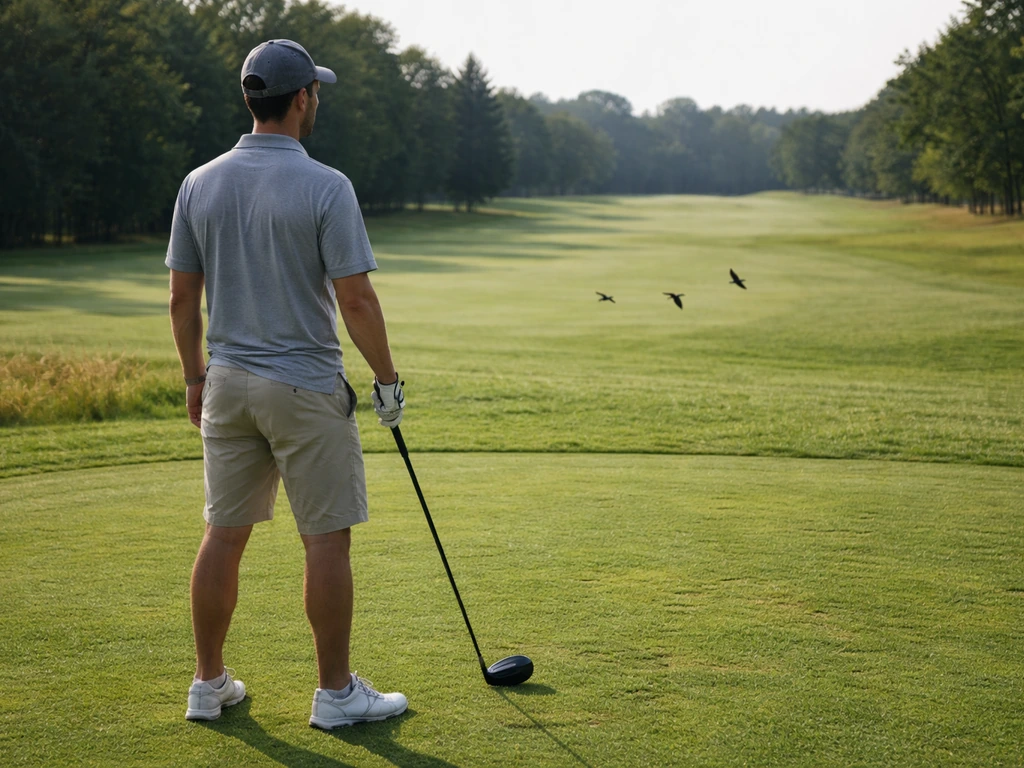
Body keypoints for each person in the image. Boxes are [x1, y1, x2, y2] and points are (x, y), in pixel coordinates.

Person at [166, 39, 408, 729]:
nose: (316, 100)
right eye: (316, 91)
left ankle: (207, 685)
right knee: (326, 540)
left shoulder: (199, 182)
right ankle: (336, 696)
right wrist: (387, 381)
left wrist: (193, 380)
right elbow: (356, 301)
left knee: (223, 533)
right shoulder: (326, 184)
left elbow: (183, 300)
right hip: (304, 386)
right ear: (301, 98)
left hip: (227, 384)